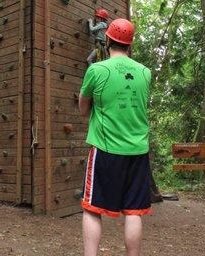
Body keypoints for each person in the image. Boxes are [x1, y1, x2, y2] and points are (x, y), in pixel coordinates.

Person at [79, 18, 152, 256]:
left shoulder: (97, 70)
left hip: (105, 149)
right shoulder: (145, 72)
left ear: (107, 40)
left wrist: (92, 113)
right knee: (133, 211)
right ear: (130, 45)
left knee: (92, 209)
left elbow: (83, 105)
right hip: (138, 152)